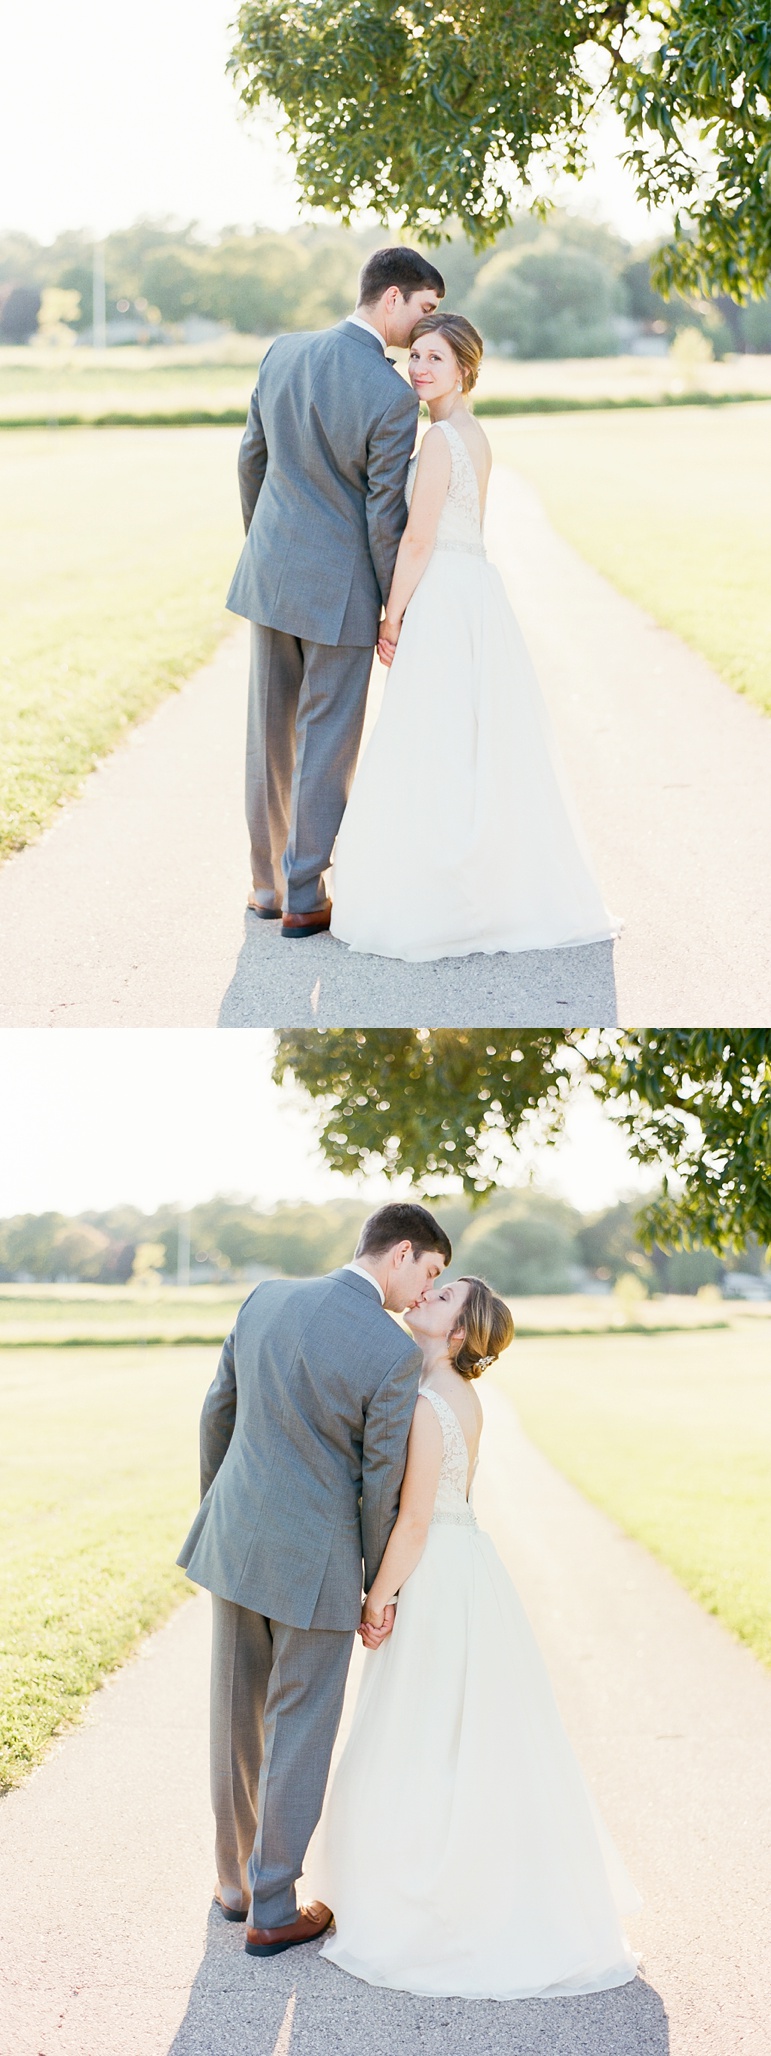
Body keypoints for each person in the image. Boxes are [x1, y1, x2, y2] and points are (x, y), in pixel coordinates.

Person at [307, 1275, 641, 1999]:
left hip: (436, 1575)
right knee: (453, 1733)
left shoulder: (433, 1403)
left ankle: (429, 1900)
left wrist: (378, 1597)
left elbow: (418, 1519)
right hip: (464, 1567)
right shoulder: (445, 1391)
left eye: (445, 1295)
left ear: (459, 1332)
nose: (428, 1292)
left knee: (420, 1731)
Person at [176, 1202, 451, 1955]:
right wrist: (373, 1586)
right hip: (318, 1567)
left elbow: (216, 1415)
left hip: (236, 1543)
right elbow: (378, 1483)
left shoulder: (264, 1297)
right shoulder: (389, 1353)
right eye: (427, 1273)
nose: (421, 1292)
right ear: (400, 1253)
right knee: (298, 1730)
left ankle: (233, 1885)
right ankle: (271, 1908)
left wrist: (221, 1513)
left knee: (234, 1716)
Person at [330, 314, 620, 960]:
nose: (419, 369)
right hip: (475, 591)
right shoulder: (470, 433)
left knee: (430, 736)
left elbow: (418, 537)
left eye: (435, 359)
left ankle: (441, 898)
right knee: (473, 740)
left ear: (464, 369)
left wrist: (392, 614)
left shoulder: (438, 442)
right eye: (415, 358)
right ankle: (484, 886)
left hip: (442, 594)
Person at [225, 247, 444, 939]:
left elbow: (249, 460)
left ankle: (264, 887)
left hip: (270, 576)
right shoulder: (388, 396)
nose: (422, 325)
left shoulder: (281, 352)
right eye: (423, 308)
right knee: (326, 744)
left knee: (268, 738)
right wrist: (392, 608)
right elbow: (385, 517)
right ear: (390, 299)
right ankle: (301, 894)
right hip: (341, 594)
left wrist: (267, 549)